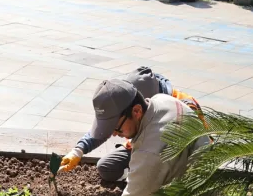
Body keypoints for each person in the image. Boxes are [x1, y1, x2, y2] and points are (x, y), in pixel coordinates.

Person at [59, 67, 201, 183]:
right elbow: (108, 125)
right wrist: (78, 150)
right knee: (107, 167)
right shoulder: (132, 98)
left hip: (176, 158)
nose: (114, 133)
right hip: (140, 148)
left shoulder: (183, 107)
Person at [95, 80, 209, 196]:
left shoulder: (149, 153)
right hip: (185, 187)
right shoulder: (161, 100)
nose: (114, 134)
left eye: (117, 128)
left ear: (136, 111)